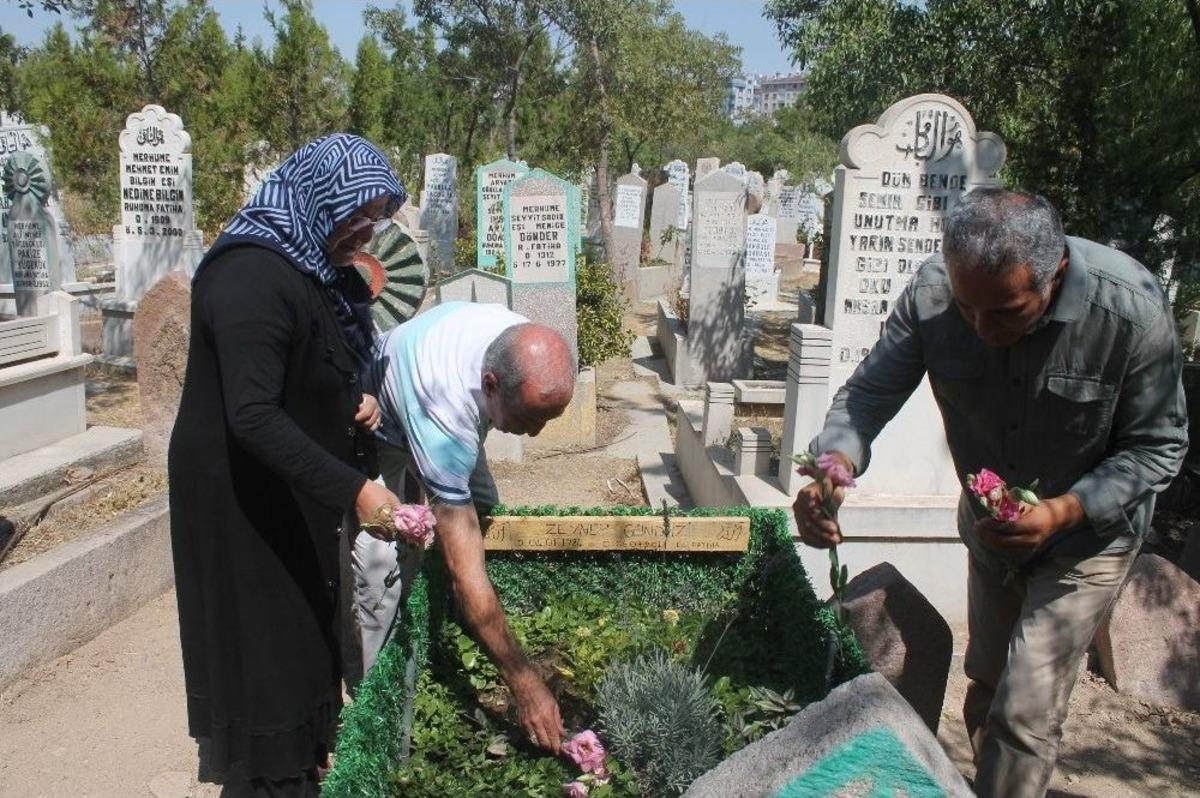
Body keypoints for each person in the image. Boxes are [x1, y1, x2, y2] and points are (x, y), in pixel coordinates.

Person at [791, 188, 1188, 798]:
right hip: (990, 534)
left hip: (1089, 538)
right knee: (987, 680)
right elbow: (868, 396)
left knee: (1026, 710)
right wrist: (834, 470)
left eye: (1005, 311)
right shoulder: (934, 293)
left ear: (1055, 276)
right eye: (967, 308)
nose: (980, 326)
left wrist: (1063, 511)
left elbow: (1158, 445)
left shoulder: (1129, 310)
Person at [168, 133, 407, 797]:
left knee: (306, 644)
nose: (366, 233)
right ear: (318, 199)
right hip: (243, 503)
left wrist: (352, 397)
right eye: (358, 215)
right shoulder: (248, 275)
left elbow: (312, 361)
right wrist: (357, 491)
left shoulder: (308, 267)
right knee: (268, 667)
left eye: (377, 219)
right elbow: (250, 413)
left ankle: (298, 767)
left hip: (289, 488)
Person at [355, 300, 575, 751]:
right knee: (382, 566)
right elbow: (466, 572)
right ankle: (379, 707)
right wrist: (525, 682)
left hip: (442, 398)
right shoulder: (446, 416)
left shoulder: (517, 340)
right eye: (529, 419)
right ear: (491, 384)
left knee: (487, 508)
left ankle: (472, 623)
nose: (534, 435)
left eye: (545, 420)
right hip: (379, 427)